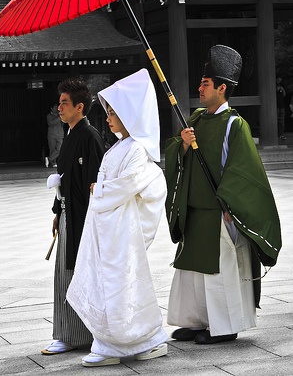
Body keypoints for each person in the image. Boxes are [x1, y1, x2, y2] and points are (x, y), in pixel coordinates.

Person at [165, 45, 282, 345]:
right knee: (192, 271)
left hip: (219, 210)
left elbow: (244, 170)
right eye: (201, 83)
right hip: (194, 210)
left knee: (221, 270)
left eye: (205, 84)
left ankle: (225, 325)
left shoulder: (235, 124)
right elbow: (172, 154)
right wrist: (180, 142)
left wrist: (231, 203)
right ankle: (196, 320)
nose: (199, 88)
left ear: (222, 88)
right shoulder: (195, 120)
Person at [66, 69, 168, 367]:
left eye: (113, 113)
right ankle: (136, 340)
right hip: (109, 227)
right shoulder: (120, 147)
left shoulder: (137, 149)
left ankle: (121, 343)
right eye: (108, 112)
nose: (107, 118)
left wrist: (100, 191)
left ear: (129, 114)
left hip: (122, 230)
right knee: (108, 282)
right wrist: (101, 191)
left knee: (119, 283)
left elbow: (130, 183)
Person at [41, 77, 105, 355]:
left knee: (78, 273)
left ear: (80, 107)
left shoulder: (89, 137)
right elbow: (66, 179)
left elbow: (93, 184)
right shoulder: (70, 135)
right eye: (59, 103)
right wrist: (58, 211)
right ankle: (67, 333)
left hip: (83, 216)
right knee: (64, 275)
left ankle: (78, 335)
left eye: (65, 103)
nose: (59, 108)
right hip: (69, 214)